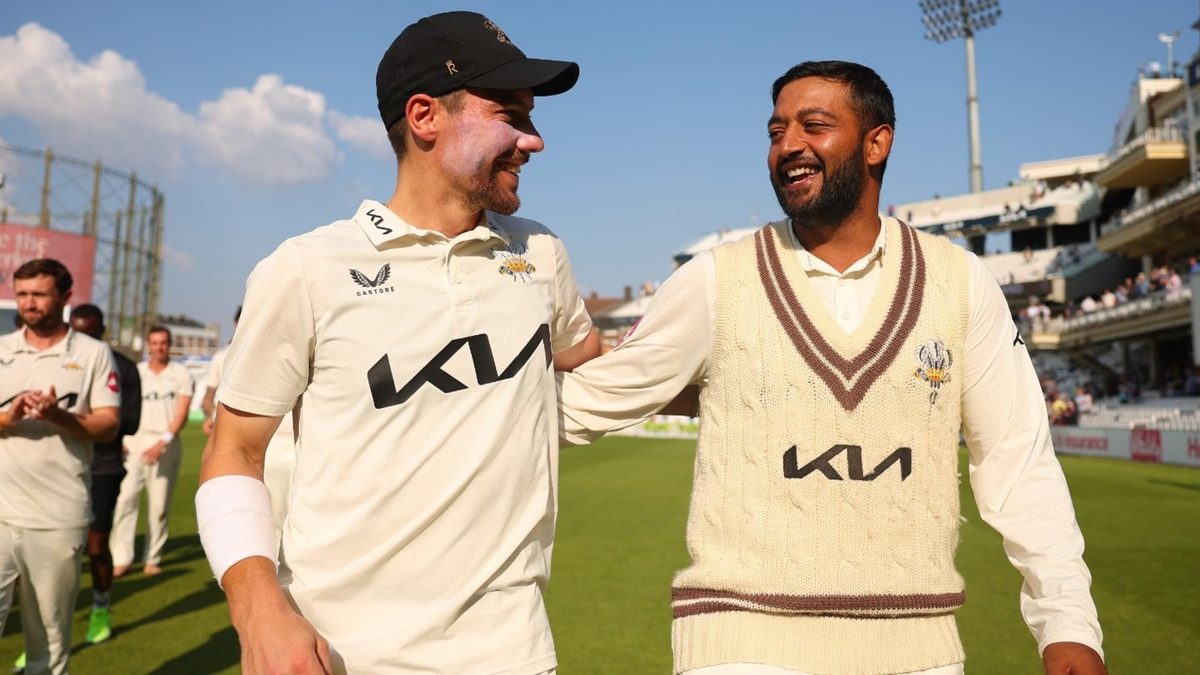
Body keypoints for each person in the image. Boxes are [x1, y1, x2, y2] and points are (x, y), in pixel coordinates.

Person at [559, 61, 1106, 674]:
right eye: (775, 131)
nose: (788, 145)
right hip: (742, 646)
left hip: (916, 651)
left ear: (877, 143)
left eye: (813, 125)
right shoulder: (715, 280)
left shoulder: (960, 282)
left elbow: (1017, 460)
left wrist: (1067, 620)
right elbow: (578, 405)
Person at [196, 11, 599, 674]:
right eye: (512, 115)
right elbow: (233, 449)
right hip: (344, 657)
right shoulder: (305, 268)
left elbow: (594, 367)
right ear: (424, 117)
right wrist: (260, 611)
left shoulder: (541, 252)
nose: (534, 141)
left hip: (518, 653)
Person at [0, 259, 120, 675]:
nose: (29, 303)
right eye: (23, 294)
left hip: (57, 514)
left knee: (47, 640)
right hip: (0, 512)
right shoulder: (1, 349)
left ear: (66, 298)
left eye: (39, 294)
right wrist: (7, 420)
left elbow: (108, 427)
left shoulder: (92, 354)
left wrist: (59, 416)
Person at [68, 304, 142, 644]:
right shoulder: (61, 364)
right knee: (57, 551)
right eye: (76, 332)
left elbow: (128, 423)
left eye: (89, 333)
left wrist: (78, 418)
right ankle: (46, 632)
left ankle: (100, 608)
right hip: (62, 465)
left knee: (96, 546)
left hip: (104, 467)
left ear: (102, 331)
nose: (82, 340)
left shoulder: (123, 367)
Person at [110, 325, 193, 577]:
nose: (159, 347)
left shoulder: (181, 374)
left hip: (164, 443)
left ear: (170, 344)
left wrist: (163, 442)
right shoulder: (136, 372)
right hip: (134, 442)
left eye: (164, 342)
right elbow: (122, 405)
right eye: (155, 343)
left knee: (159, 505)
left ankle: (152, 558)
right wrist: (122, 438)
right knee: (125, 500)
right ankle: (121, 558)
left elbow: (182, 412)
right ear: (148, 345)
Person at [203, 306, 295, 530]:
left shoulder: (283, 351)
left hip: (282, 442)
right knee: (239, 515)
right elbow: (208, 396)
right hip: (235, 438)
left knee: (284, 517)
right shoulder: (222, 358)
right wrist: (212, 417)